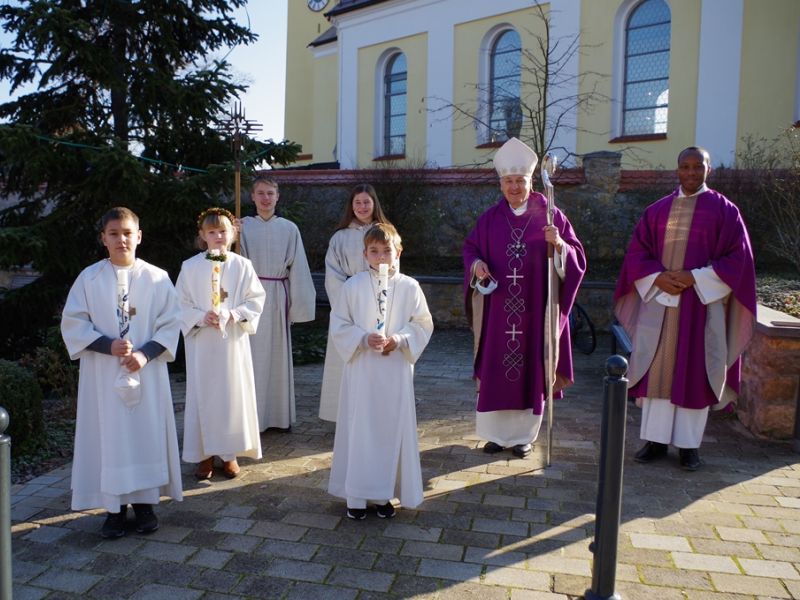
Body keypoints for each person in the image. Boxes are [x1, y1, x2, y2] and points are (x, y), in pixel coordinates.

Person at [614, 146, 756, 471]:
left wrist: (695, 277)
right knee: (658, 372)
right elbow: (637, 253)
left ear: (709, 169)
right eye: (685, 167)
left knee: (696, 372)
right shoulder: (657, 210)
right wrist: (658, 277)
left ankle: (689, 447)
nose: (691, 173)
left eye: (698, 167)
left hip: (701, 308)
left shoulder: (725, 211)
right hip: (661, 308)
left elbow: (739, 261)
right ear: (677, 170)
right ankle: (655, 441)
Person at [61, 207, 182, 539]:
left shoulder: (157, 278)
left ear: (139, 236)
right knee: (110, 437)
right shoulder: (89, 278)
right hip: (103, 373)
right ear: (103, 239)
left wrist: (145, 354)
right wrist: (105, 345)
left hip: (147, 372)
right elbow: (73, 323)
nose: (121, 239)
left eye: (128, 233)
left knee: (145, 434)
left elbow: (172, 323)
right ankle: (114, 510)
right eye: (113, 234)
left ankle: (145, 506)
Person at [463, 137, 586, 459]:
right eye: (508, 181)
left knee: (532, 367)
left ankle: (523, 438)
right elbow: (470, 249)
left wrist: (559, 245)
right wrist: (477, 266)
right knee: (495, 369)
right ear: (500, 184)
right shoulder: (489, 219)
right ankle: (495, 436)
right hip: (498, 311)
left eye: (520, 180)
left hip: (535, 310)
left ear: (531, 182)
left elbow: (577, 261)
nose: (514, 186)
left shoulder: (551, 215)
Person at [328, 223, 433, 519]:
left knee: (390, 429)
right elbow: (339, 324)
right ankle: (357, 496)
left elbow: (422, 324)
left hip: (394, 369)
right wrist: (362, 338)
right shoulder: (353, 286)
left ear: (398, 251)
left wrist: (398, 340)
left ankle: (385, 494)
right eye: (374, 251)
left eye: (387, 250)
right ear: (365, 254)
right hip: (363, 369)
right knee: (360, 428)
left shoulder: (409, 286)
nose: (381, 256)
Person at [177, 207, 265, 480]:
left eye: (223, 231)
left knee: (231, 395)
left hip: (232, 343)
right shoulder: (190, 267)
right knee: (204, 394)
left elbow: (255, 300)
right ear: (202, 236)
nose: (218, 236)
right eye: (212, 231)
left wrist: (232, 314)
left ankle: (229, 454)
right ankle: (203, 455)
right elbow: (179, 304)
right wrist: (201, 316)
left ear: (233, 233)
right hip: (202, 343)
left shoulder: (242, 266)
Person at [239, 177, 316, 431]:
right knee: (252, 356)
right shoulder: (242, 227)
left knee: (277, 356)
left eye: (270, 193)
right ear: (252, 197)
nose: (265, 198)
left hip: (278, 295)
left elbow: (299, 268)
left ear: (277, 196)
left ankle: (277, 417)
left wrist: (298, 305)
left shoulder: (289, 228)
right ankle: (253, 418)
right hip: (250, 296)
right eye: (260, 193)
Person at [319, 183, 391, 422]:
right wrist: (349, 303)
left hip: (378, 304)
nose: (362, 207)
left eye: (366, 202)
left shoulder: (386, 233)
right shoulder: (340, 237)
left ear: (374, 204)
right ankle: (344, 414)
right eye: (357, 202)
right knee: (347, 357)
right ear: (351, 206)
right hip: (348, 306)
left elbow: (392, 268)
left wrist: (378, 299)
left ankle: (373, 413)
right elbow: (333, 274)